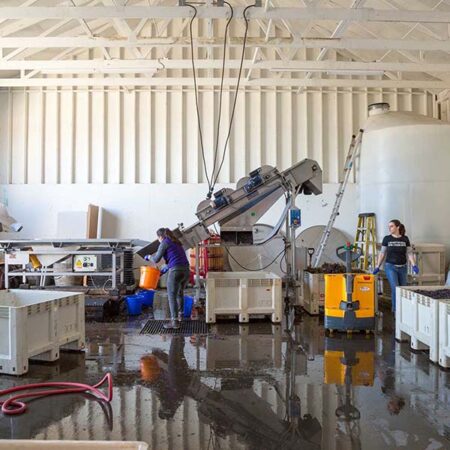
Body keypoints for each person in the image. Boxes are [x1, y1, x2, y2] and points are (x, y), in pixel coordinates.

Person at [145, 228, 190, 329]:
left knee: (171, 295)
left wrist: (148, 257)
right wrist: (162, 271)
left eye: (158, 238)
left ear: (160, 237)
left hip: (176, 271)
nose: (158, 240)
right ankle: (180, 317)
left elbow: (156, 259)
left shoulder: (164, 242)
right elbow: (173, 260)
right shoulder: (176, 242)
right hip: (186, 271)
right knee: (179, 293)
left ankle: (174, 322)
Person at [373, 219, 419, 314]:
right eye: (389, 226)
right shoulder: (387, 239)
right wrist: (377, 266)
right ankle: (396, 311)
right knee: (395, 288)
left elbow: (409, 253)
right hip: (390, 267)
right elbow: (382, 254)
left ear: (397, 227)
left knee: (403, 289)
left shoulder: (405, 239)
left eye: (391, 226)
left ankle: (403, 310)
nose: (389, 228)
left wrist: (414, 265)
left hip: (403, 267)